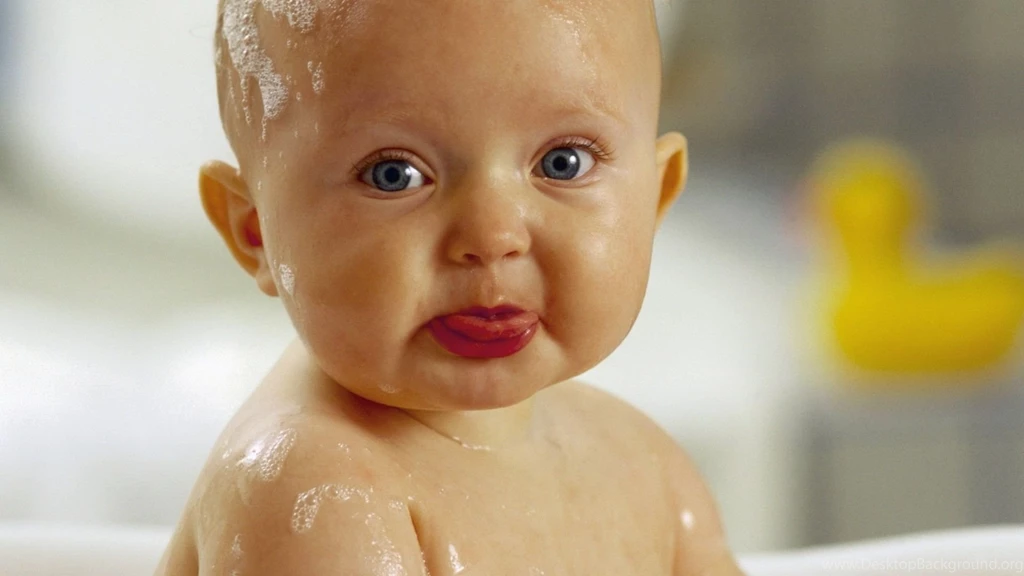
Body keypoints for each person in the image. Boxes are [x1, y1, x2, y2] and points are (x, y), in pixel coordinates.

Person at [156, 0, 745, 573]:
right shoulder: (316, 496)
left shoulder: (641, 464)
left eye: (563, 162)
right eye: (395, 174)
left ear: (656, 197)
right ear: (255, 231)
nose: (492, 234)